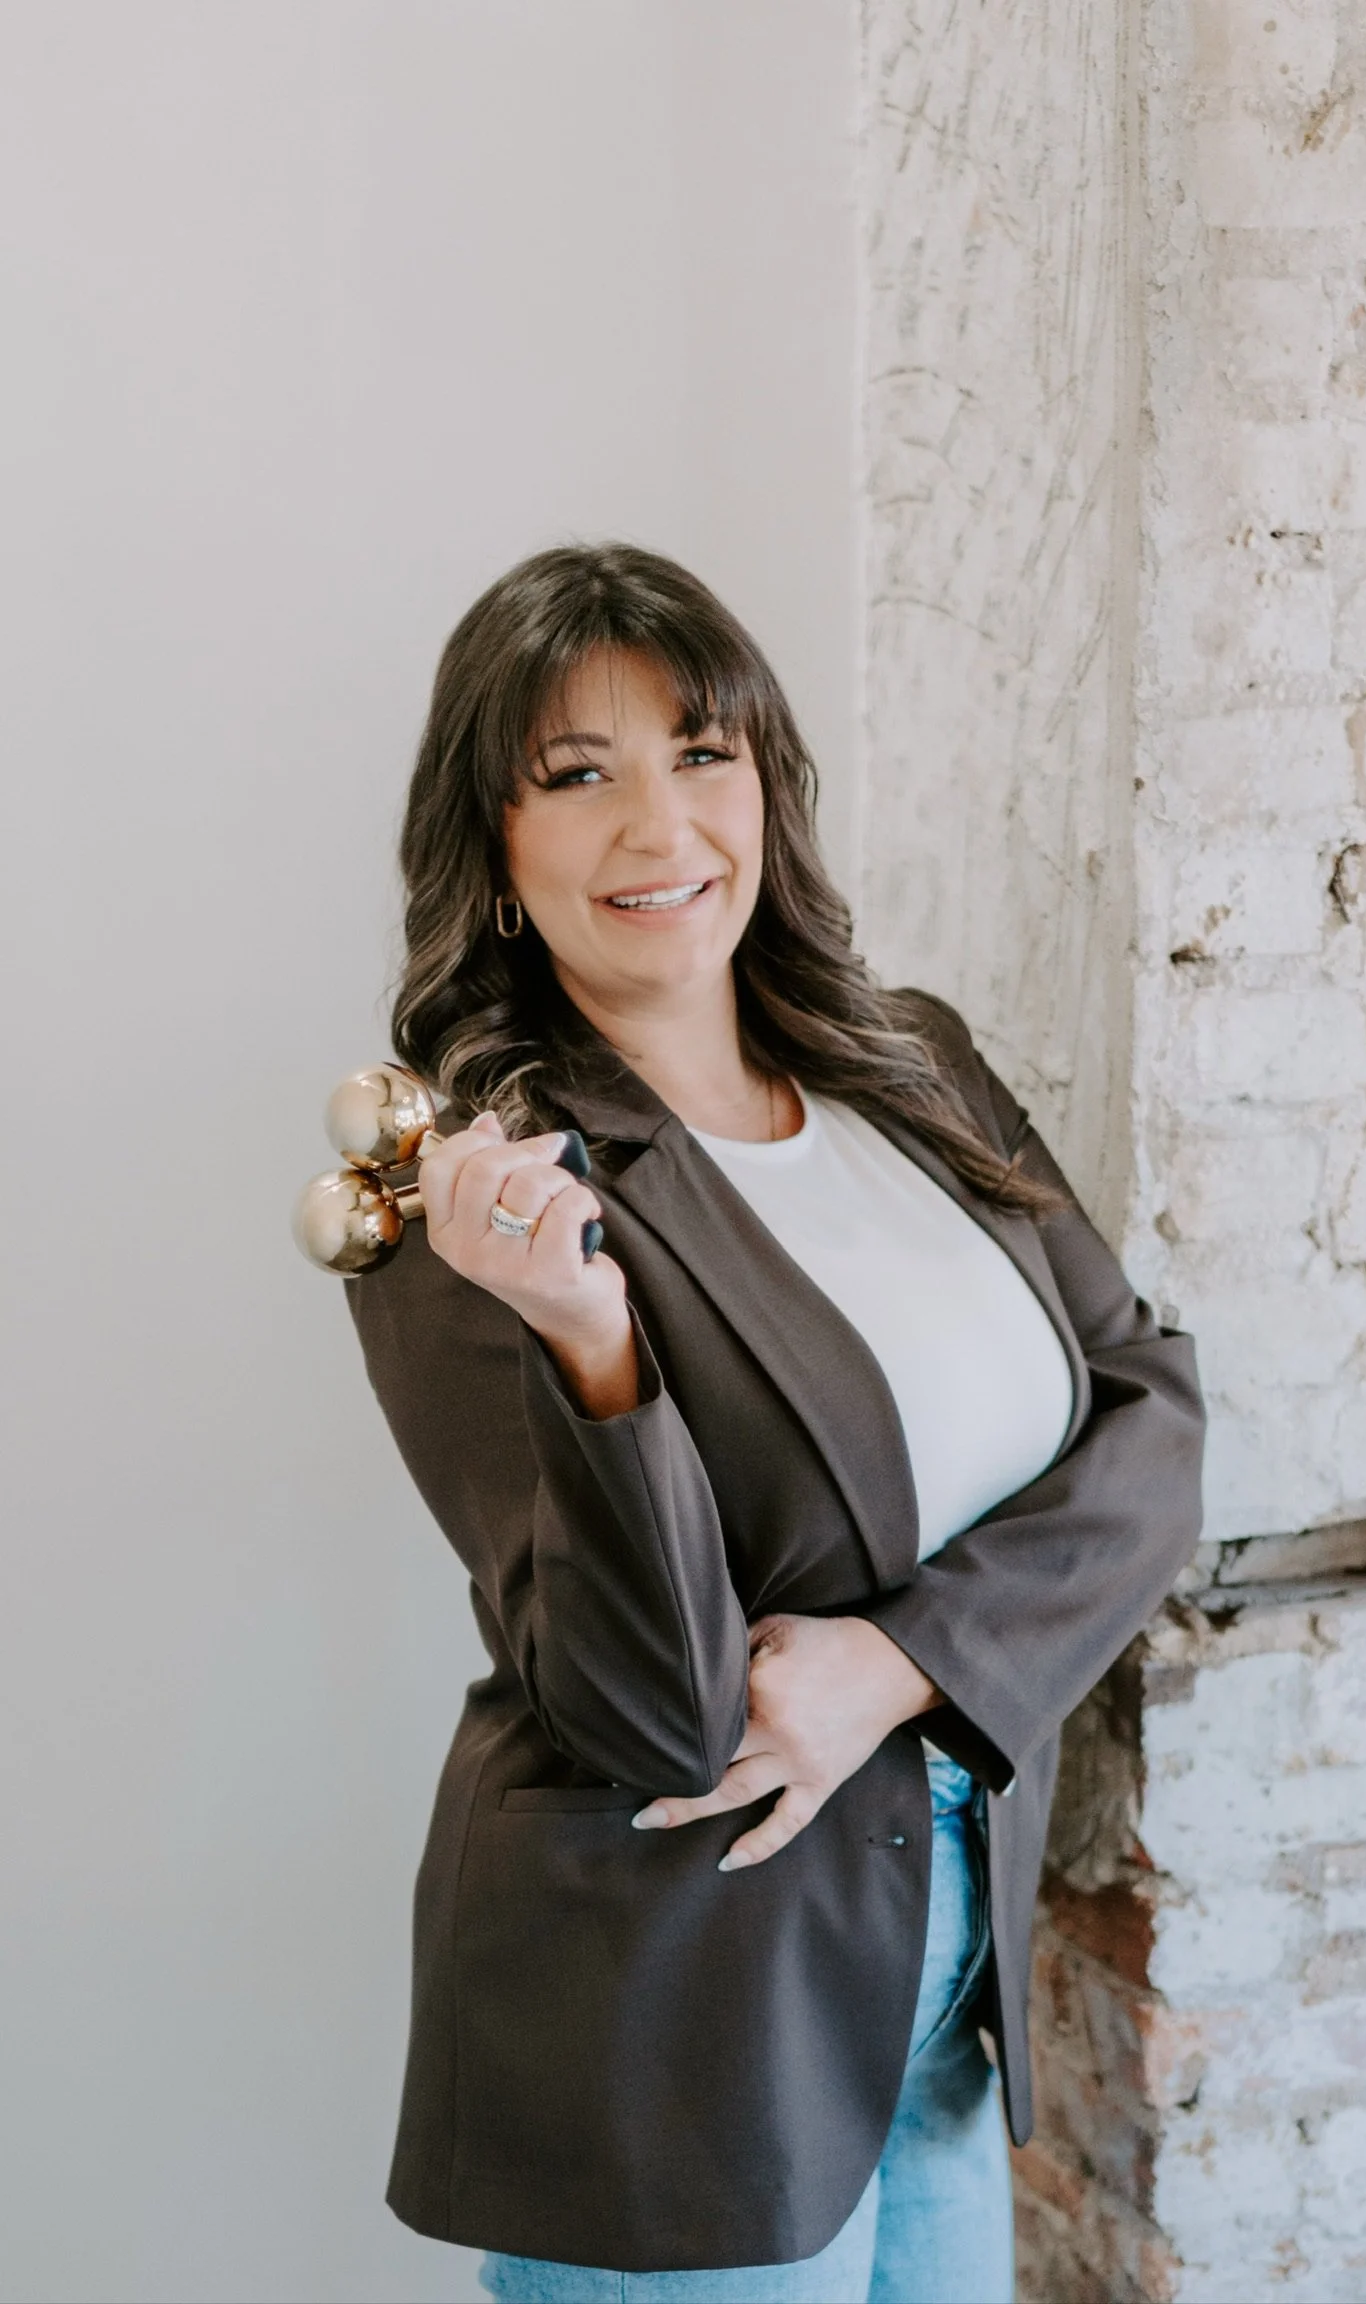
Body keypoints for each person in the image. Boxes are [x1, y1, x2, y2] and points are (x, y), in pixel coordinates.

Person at [345, 542, 1204, 2304]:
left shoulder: (914, 1065)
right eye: (577, 775)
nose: (658, 826)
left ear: (767, 787)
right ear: (494, 853)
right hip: (679, 2026)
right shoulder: (477, 1197)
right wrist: (595, 1347)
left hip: (937, 1990)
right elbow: (657, 1714)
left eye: (701, 754)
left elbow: (1151, 1426)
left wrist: (902, 1662)